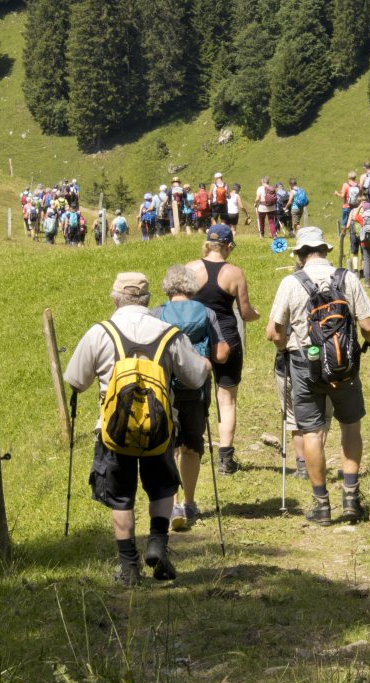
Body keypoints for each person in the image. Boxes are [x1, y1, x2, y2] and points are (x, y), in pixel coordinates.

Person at [63, 272, 209, 585]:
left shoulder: (101, 332)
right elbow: (196, 377)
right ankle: (157, 544)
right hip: (159, 429)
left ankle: (129, 567)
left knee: (120, 497)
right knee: (162, 487)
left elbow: (75, 380)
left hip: (114, 431)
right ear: (147, 299)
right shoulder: (168, 333)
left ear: (115, 298)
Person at [267, 228, 370, 524]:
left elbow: (274, 333)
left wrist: (285, 348)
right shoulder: (347, 278)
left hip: (304, 364)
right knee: (350, 428)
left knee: (312, 433)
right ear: (325, 250)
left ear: (300, 254)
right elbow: (367, 326)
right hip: (343, 366)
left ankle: (321, 505)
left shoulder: (291, 282)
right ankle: (351, 499)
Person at [151, 265, 227, 531]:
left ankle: (173, 505)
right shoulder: (206, 312)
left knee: (169, 447)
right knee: (192, 445)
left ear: (168, 288)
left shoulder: (157, 314)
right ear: (192, 288)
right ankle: (190, 502)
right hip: (196, 388)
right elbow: (221, 354)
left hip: (164, 389)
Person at [187, 221, 260, 474]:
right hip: (226, 339)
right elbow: (246, 313)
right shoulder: (234, 273)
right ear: (228, 246)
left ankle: (190, 446)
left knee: (192, 395)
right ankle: (226, 459)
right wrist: (257, 314)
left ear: (208, 244)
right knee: (227, 400)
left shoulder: (190, 269)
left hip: (195, 338)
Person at [344, 201, 370, 285]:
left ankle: (367, 282)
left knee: (367, 260)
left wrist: (359, 207)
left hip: (365, 243)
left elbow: (354, 217)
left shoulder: (362, 217)